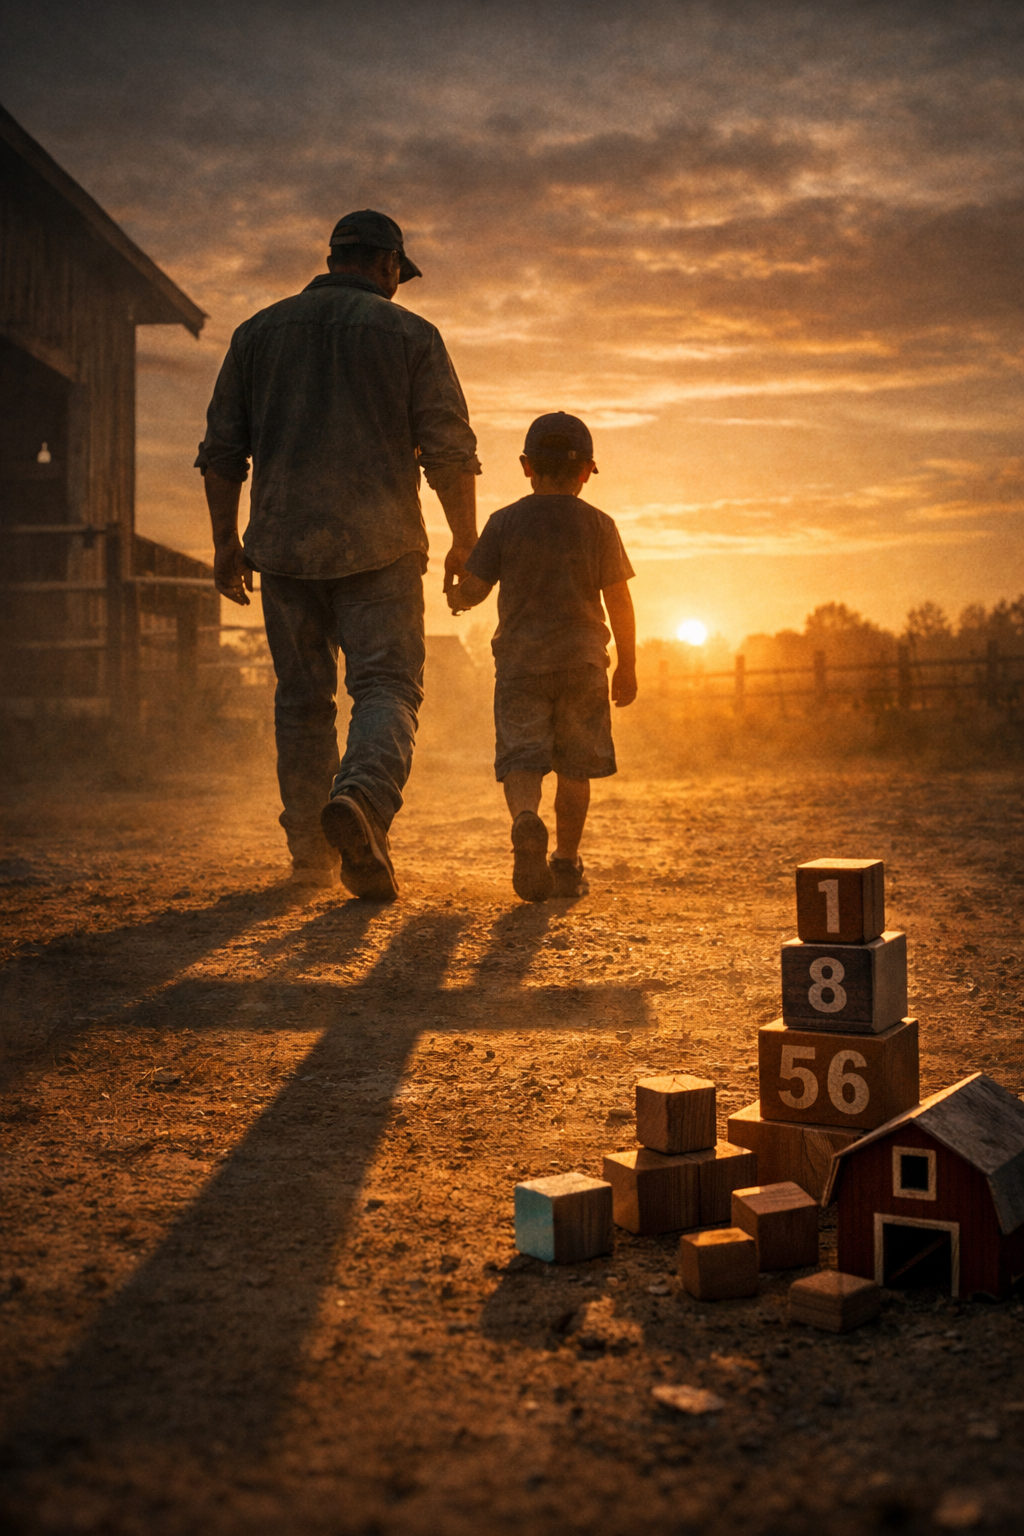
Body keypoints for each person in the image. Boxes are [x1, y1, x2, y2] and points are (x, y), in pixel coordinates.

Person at [196, 209, 480, 899]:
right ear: (387, 264)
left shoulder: (258, 333)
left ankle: (308, 859)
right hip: (380, 547)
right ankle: (361, 800)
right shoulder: (412, 335)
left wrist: (225, 542)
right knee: (385, 688)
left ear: (334, 258)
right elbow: (448, 450)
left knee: (301, 700)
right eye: (398, 275)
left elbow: (223, 452)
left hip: (285, 546)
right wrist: (465, 542)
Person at [447, 412, 637, 901]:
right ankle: (566, 865)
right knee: (576, 766)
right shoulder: (600, 525)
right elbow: (619, 599)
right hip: (584, 661)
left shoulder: (505, 522)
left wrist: (455, 593)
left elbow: (476, 589)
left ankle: (526, 820)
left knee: (522, 758)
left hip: (520, 663)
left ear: (526, 466)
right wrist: (629, 665)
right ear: (586, 470)